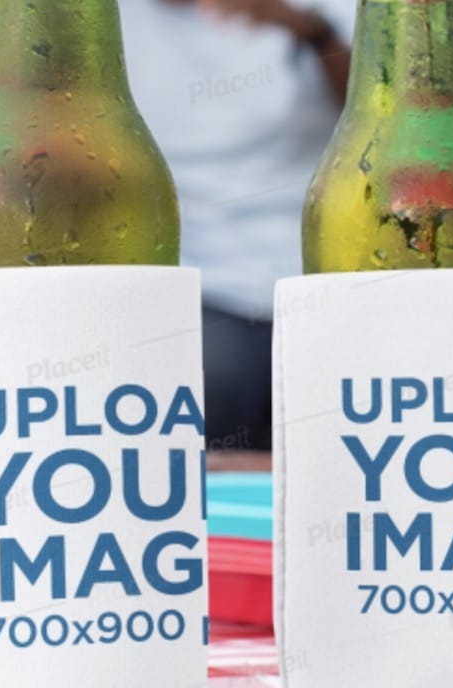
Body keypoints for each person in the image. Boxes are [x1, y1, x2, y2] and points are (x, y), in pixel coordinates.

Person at [121, 0, 354, 452]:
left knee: (358, 403)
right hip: (207, 286)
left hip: (321, 272)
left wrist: (313, 33)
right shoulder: (100, 22)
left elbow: (381, 111)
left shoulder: (317, 15)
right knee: (187, 389)